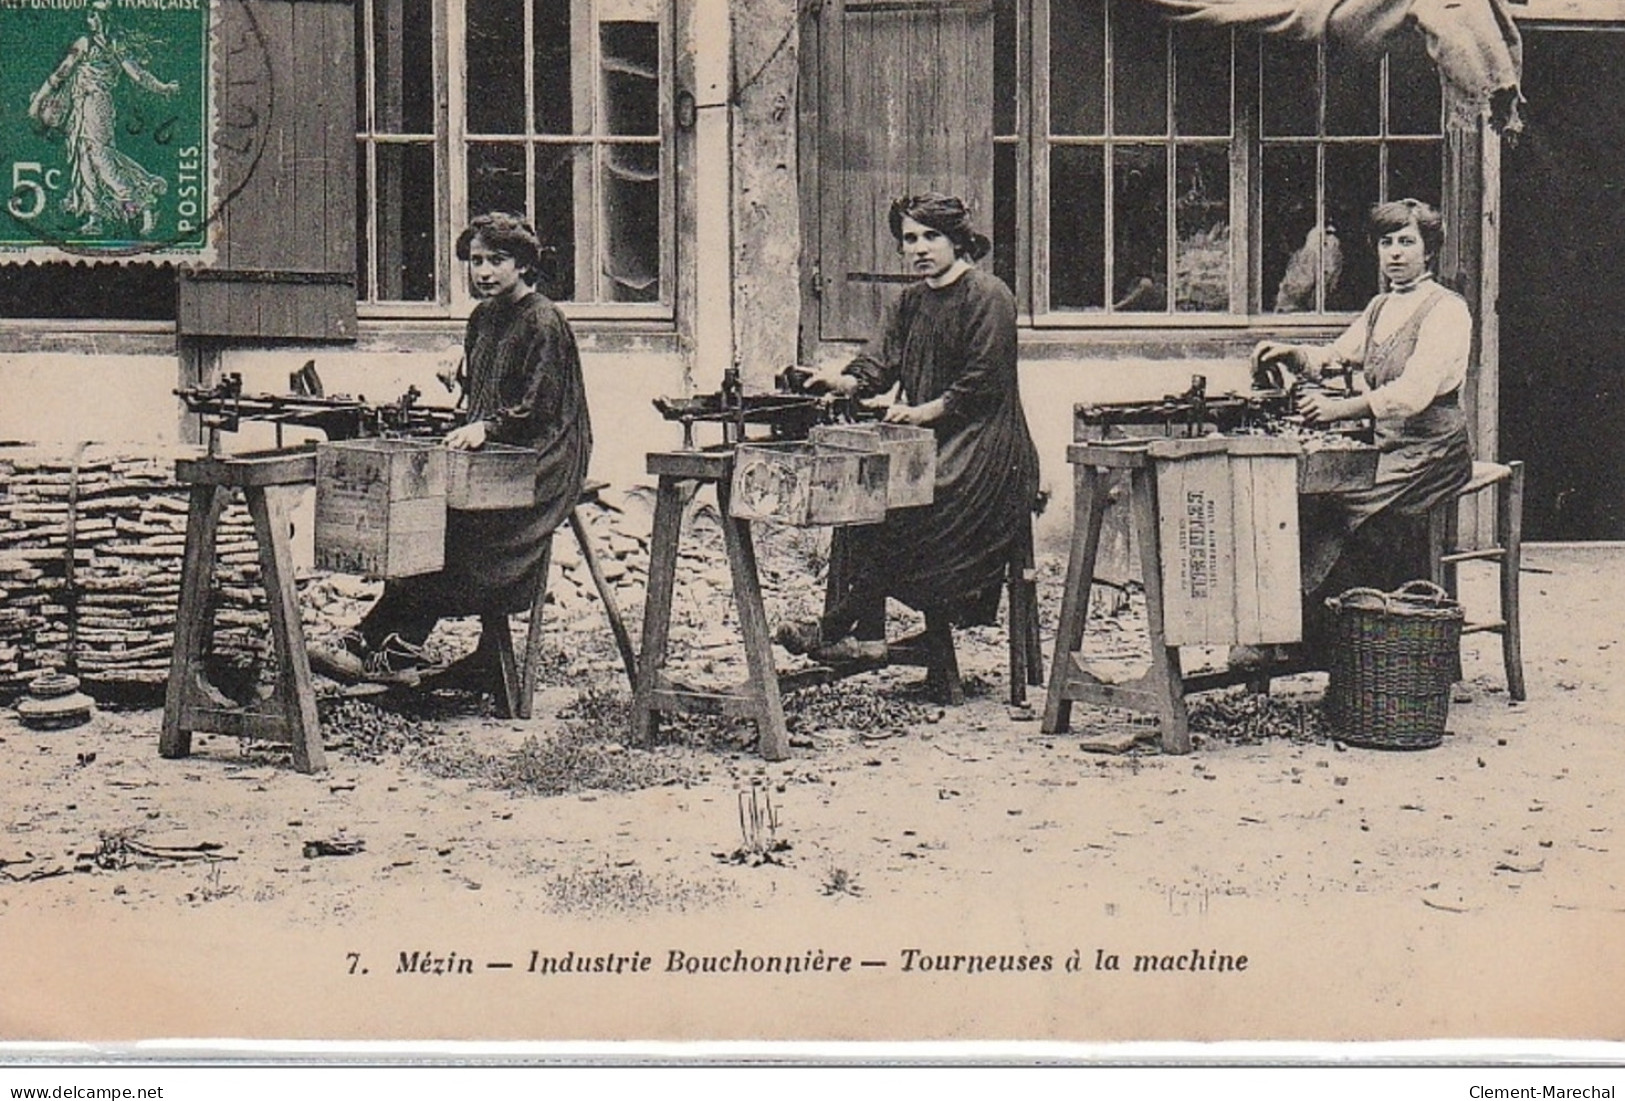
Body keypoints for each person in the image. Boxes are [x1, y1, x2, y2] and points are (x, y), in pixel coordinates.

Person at [312, 213, 593, 684]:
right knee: (423, 520)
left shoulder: (545, 319)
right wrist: (461, 376)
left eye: (497, 261)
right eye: (476, 260)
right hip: (501, 454)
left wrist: (487, 426)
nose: (483, 272)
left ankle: (400, 646)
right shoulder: (483, 317)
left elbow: (538, 406)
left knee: (455, 532)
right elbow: (495, 388)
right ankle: (370, 640)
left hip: (545, 457)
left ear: (524, 265)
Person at [776, 193, 1040, 668]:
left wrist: (923, 412)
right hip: (930, 446)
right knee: (864, 494)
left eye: (930, 236)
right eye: (909, 238)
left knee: (897, 507)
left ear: (957, 240)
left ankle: (837, 627)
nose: (919, 248)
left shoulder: (990, 296)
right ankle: (865, 635)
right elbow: (878, 364)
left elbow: (984, 384)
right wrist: (842, 380)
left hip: (987, 452)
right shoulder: (909, 302)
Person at [1250, 198, 1473, 659]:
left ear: (1428, 249)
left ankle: (1334, 638)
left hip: (1434, 451)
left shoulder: (1446, 311)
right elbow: (1335, 356)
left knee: (1344, 502)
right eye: (1386, 243)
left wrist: (1338, 411)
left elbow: (1411, 394)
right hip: (1389, 445)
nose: (1395, 253)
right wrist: (1291, 352)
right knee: (1313, 495)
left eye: (1407, 242)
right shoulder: (1379, 307)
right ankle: (1307, 632)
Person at [29, 1, 177, 237]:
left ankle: (142, 203)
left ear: (106, 18)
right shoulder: (89, 43)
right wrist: (39, 99)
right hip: (80, 104)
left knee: (100, 157)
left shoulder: (110, 45)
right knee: (84, 157)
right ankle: (94, 217)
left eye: (95, 16)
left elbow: (137, 74)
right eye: (90, 16)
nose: (91, 20)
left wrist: (162, 88)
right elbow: (61, 73)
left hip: (97, 105)